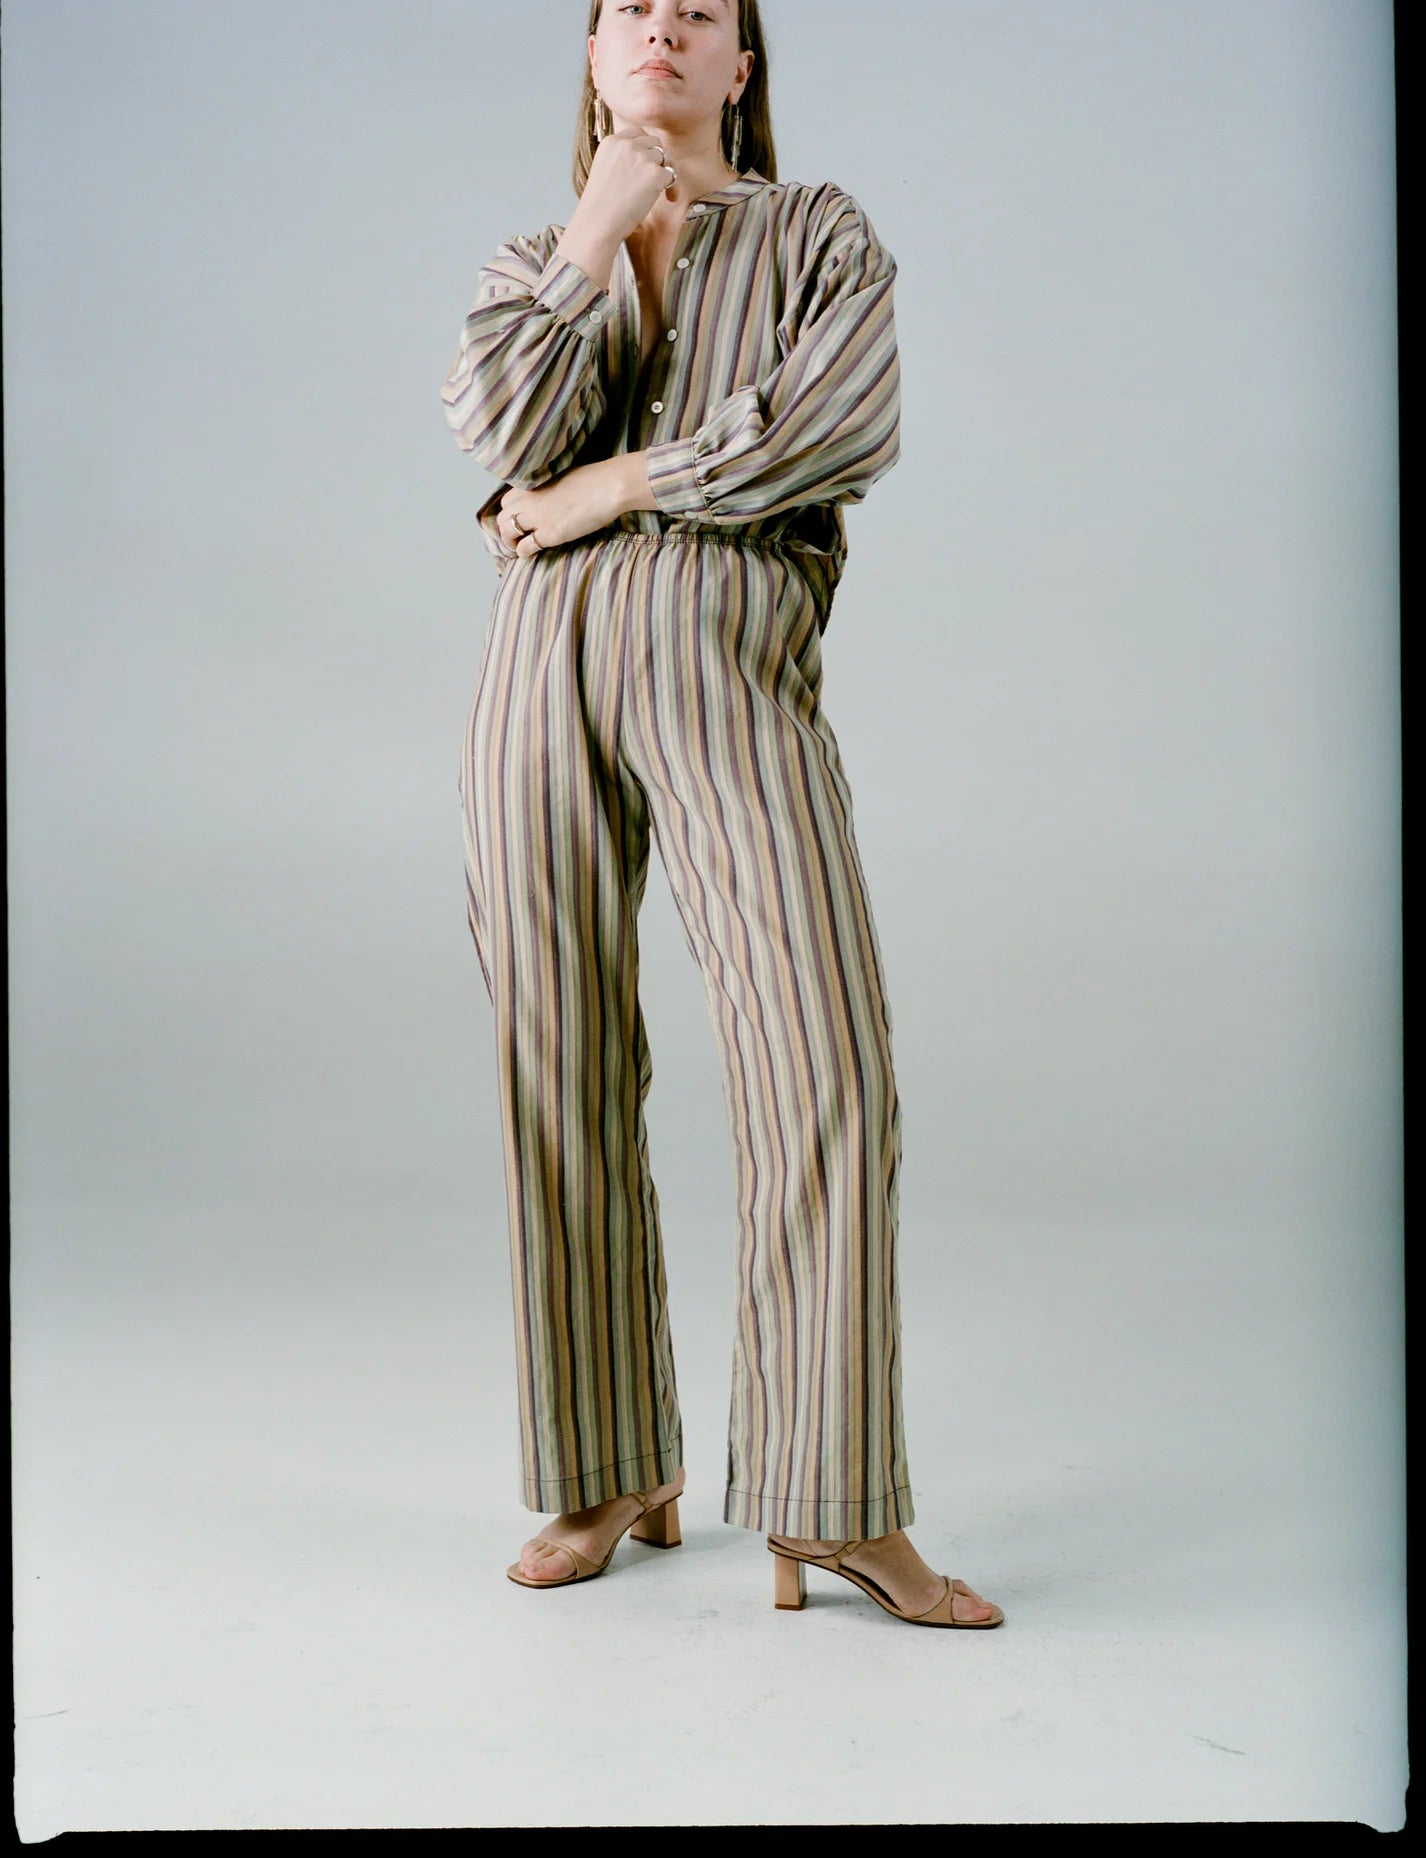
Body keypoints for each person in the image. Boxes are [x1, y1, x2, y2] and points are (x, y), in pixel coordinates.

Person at [441, 0, 1002, 1630]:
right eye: (635, 7)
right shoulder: (528, 260)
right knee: (554, 1060)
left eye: (701, 11)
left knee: (823, 1059)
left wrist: (610, 485)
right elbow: (490, 434)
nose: (666, 29)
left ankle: (832, 1503)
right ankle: (609, 1467)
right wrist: (594, 237)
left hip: (727, 659)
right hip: (534, 676)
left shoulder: (819, 232)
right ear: (595, 52)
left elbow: (837, 430)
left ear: (739, 66)